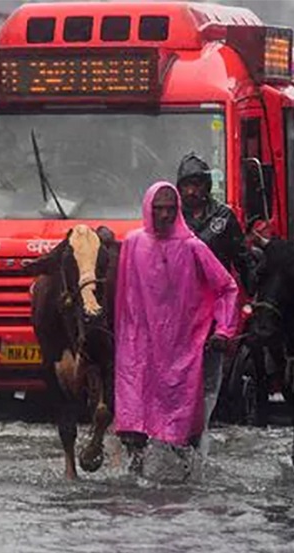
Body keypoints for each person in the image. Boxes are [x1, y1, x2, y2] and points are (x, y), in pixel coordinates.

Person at [115, 181, 239, 474]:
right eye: (159, 209)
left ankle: (183, 476)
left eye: (171, 209)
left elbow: (226, 287)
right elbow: (122, 295)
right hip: (139, 345)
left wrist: (224, 329)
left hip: (181, 348)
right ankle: (136, 475)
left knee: (180, 429)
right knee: (133, 420)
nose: (165, 216)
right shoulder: (133, 244)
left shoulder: (193, 246)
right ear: (148, 210)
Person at [177, 153, 258, 457]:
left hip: (213, 309)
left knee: (209, 378)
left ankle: (201, 433)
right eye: (186, 185)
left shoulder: (223, 218)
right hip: (177, 310)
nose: (191, 191)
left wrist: (254, 291)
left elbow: (242, 257)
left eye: (197, 184)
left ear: (207, 186)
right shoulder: (170, 218)